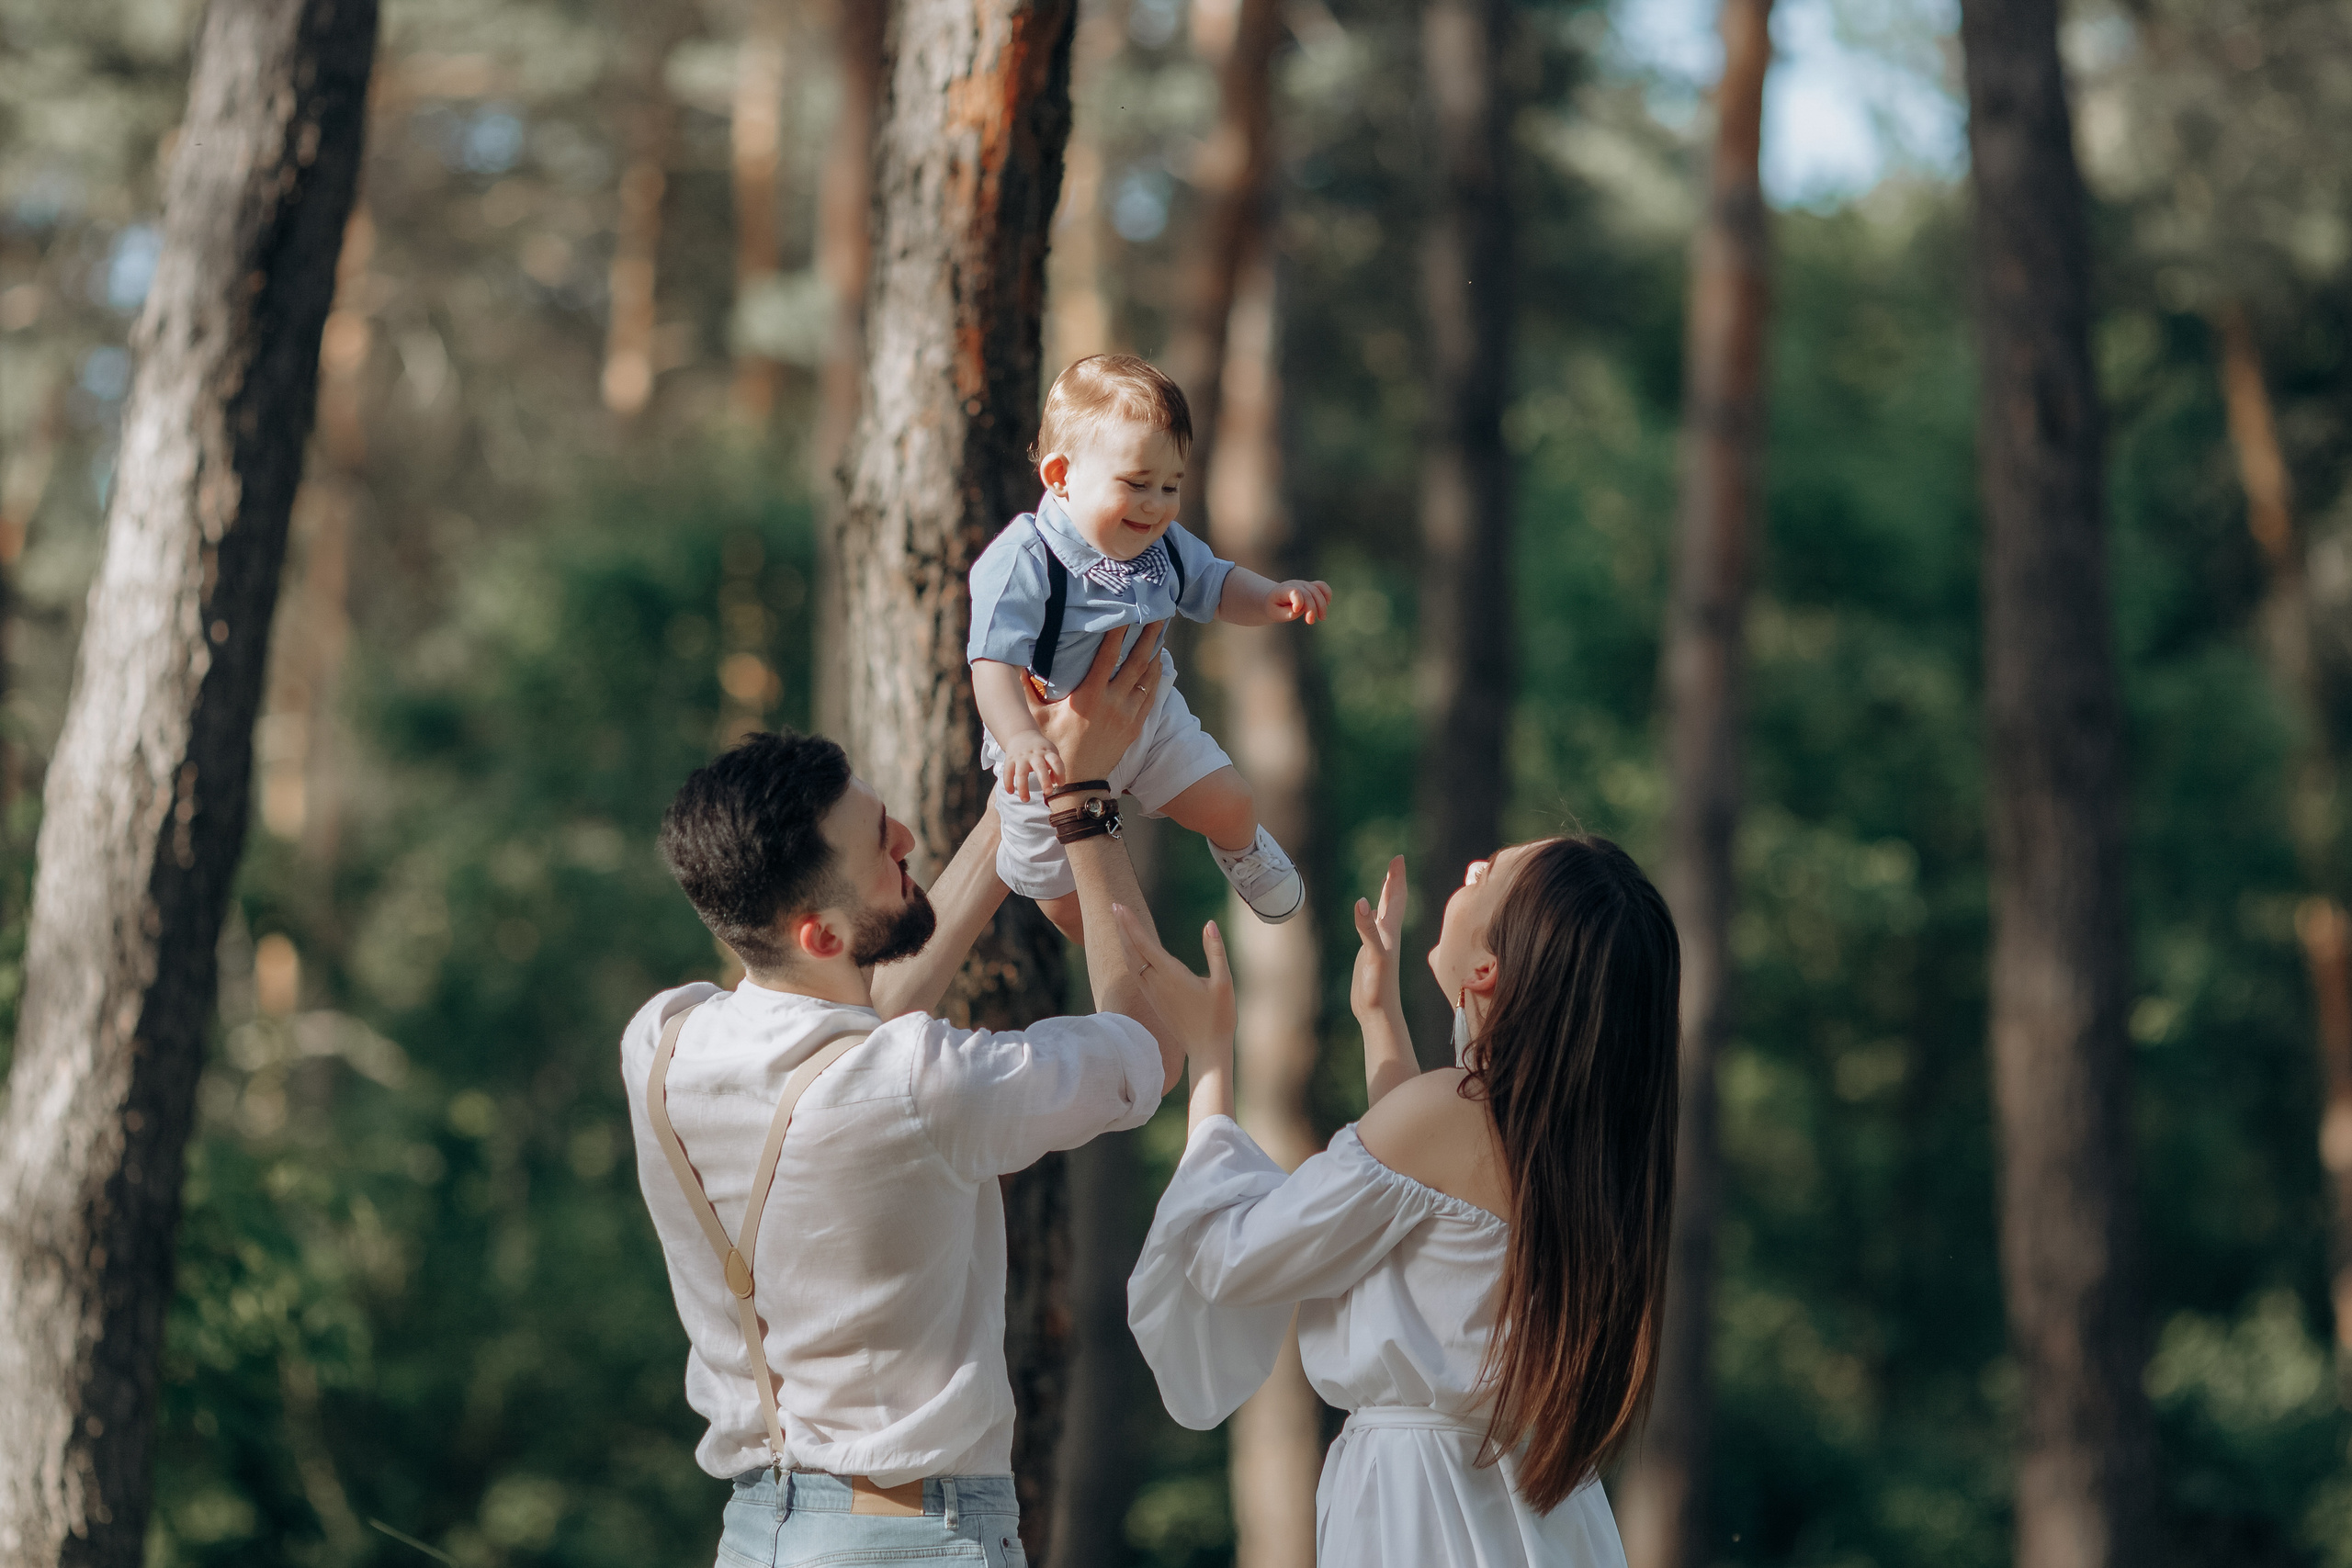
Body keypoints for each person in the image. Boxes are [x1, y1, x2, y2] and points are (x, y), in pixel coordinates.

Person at [619, 626, 1223, 1568]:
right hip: (914, 1539)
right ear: (819, 933)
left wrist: (1017, 793)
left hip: (761, 1536)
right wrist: (1081, 803)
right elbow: (1146, 1052)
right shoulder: (921, 1085)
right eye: (877, 843)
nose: (904, 836)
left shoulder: (662, 1043)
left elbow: (855, 1036)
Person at [1119, 837, 1682, 1566]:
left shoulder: (1449, 1115)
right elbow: (1429, 1235)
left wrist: (1210, 1054)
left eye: (1491, 875)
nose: (1472, 865)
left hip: (1419, 1508)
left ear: (1487, 968)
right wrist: (1379, 1017)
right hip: (1526, 1510)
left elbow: (1227, 1257)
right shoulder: (1570, 1148)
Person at [965, 353, 1332, 935]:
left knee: (1232, 803)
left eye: (1170, 486)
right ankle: (1119, 963)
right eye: (1137, 484)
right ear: (1061, 476)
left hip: (1150, 719)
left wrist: (1270, 598)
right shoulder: (1024, 561)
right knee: (1080, 908)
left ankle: (1240, 851)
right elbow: (991, 666)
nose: (1158, 505)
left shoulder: (1165, 546)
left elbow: (1214, 582)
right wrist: (1020, 740)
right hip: (1050, 755)